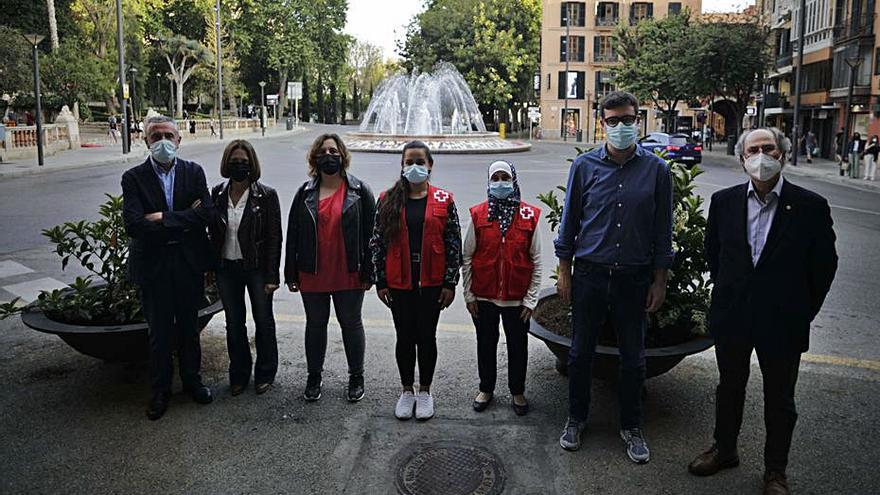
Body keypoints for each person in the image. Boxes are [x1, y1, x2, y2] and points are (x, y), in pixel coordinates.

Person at [688, 127, 837, 495]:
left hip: (783, 322)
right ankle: (724, 449)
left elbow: (823, 267)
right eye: (753, 150)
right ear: (742, 159)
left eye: (768, 148)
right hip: (734, 316)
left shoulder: (810, 206)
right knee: (729, 388)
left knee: (780, 399)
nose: (761, 156)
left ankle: (775, 471)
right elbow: (715, 256)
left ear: (782, 154)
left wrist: (802, 311)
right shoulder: (723, 202)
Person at [554, 91, 674, 463]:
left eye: (628, 119)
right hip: (590, 273)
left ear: (639, 120)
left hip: (633, 279)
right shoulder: (585, 167)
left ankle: (631, 426)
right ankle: (576, 418)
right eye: (613, 121)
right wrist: (564, 271)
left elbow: (662, 230)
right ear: (601, 123)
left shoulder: (657, 170)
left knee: (634, 357)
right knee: (580, 353)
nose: (621, 127)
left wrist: (660, 280)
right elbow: (570, 221)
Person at [121, 115, 216, 420]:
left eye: (168, 135)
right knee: (159, 333)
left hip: (188, 264)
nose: (163, 141)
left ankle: (192, 381)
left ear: (179, 139)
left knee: (189, 328)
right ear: (146, 141)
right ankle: (160, 390)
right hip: (154, 265)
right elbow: (134, 225)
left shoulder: (194, 172)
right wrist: (183, 218)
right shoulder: (133, 178)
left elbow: (207, 216)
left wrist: (161, 217)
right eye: (155, 136)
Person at [370, 140, 462, 421]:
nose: (414, 167)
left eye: (420, 162)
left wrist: (450, 283)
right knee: (404, 338)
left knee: (427, 337)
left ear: (430, 165)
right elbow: (377, 242)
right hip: (399, 283)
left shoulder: (444, 200)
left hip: (432, 283)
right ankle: (406, 390)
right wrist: (380, 281)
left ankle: (425, 391)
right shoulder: (387, 199)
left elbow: (453, 244)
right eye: (409, 162)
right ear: (401, 165)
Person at [285, 134, 376, 402]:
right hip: (312, 271)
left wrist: (370, 271)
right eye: (323, 151)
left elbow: (373, 234)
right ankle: (314, 376)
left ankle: (356, 376)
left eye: (334, 151)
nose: (329, 155)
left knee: (351, 323)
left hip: (349, 271)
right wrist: (291, 273)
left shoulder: (360, 191)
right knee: (315, 325)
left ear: (342, 155)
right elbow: (293, 234)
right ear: (315, 157)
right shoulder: (304, 193)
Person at [462, 160, 542, 416]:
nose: (499, 183)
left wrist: (531, 300)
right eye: (494, 178)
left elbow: (537, 259)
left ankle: (517, 391)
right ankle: (486, 388)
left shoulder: (529, 216)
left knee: (518, 346)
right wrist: (469, 293)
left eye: (504, 178)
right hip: (484, 296)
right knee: (485, 343)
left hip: (517, 299)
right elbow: (467, 256)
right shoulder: (478, 214)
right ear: (488, 182)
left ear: (514, 181)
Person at [209, 140, 282, 396]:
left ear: (252, 165)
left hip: (257, 269)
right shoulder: (216, 194)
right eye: (234, 161)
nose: (239, 165)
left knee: (263, 321)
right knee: (234, 323)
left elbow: (275, 238)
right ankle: (239, 374)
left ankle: (265, 373)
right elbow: (211, 234)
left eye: (243, 161)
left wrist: (273, 275)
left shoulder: (267, 195)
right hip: (226, 268)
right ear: (226, 163)